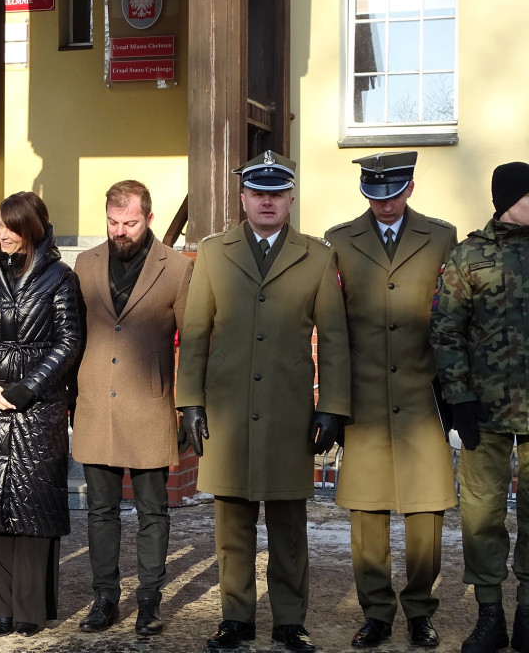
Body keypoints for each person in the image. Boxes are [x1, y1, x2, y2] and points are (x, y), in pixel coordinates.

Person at [176, 150, 351, 653]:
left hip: (288, 412)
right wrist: (190, 400)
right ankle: (236, 618)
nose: (267, 201)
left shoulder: (317, 257)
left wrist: (332, 407)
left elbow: (334, 339)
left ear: (291, 199)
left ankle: (290, 620)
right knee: (232, 524)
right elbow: (194, 332)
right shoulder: (212, 253)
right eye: (258, 192)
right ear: (243, 198)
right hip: (228, 411)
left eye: (277, 193)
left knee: (289, 527)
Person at [325, 151, 457, 649]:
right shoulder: (339, 241)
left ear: (410, 188)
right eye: (375, 196)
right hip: (364, 400)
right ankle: (376, 612)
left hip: (422, 397)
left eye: (394, 194)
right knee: (367, 516)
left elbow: (449, 316)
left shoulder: (441, 237)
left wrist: (454, 397)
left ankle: (420, 609)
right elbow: (333, 330)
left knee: (428, 515)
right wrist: (333, 405)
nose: (385, 205)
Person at [0, 190, 82, 638]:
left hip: (39, 408)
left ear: (32, 228)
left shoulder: (60, 278)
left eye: (12, 227)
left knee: (33, 508)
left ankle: (29, 606)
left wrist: (28, 387)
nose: (3, 234)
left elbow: (69, 342)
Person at [71, 180, 193, 636]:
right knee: (99, 511)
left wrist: (187, 405)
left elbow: (195, 342)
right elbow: (73, 335)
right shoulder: (84, 264)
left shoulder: (178, 268)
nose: (120, 231)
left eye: (130, 222)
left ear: (150, 219)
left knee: (151, 511)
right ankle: (104, 598)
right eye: (113, 222)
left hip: (150, 407)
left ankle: (149, 601)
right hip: (95, 406)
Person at [431, 161, 529, 653]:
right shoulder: (469, 255)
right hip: (484, 413)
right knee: (482, 515)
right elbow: (446, 331)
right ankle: (490, 616)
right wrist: (459, 401)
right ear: (510, 200)